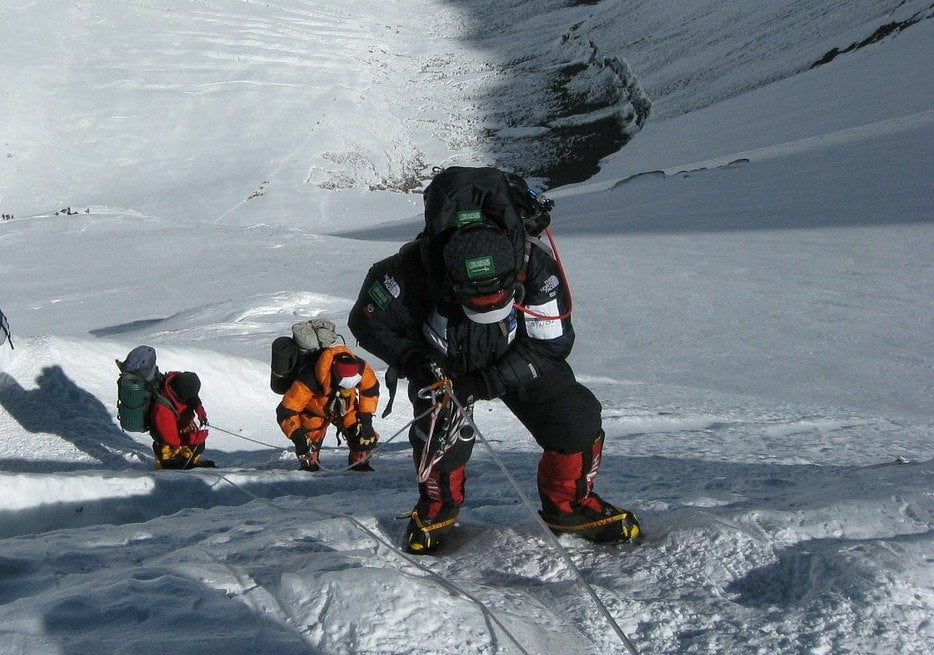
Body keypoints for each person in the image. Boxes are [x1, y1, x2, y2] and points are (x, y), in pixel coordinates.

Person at [349, 221, 641, 554]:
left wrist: (484, 383)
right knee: (438, 432)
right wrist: (416, 361)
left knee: (574, 418)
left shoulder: (535, 266)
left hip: (517, 354)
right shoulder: (408, 271)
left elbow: (551, 344)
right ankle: (438, 506)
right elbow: (366, 322)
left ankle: (570, 507)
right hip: (441, 362)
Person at [276, 344, 380, 472]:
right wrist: (299, 439)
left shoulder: (361, 367)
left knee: (363, 437)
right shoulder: (309, 378)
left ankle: (359, 463)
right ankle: (309, 467)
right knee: (309, 454)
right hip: (313, 413)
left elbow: (370, 389)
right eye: (344, 386)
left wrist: (366, 421)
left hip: (346, 409)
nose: (347, 390)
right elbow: (285, 411)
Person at [149, 371, 214, 469]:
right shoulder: (163, 410)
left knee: (198, 446)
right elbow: (173, 439)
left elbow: (192, 396)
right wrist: (197, 437)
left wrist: (199, 409)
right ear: (182, 395)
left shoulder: (178, 382)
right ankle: (170, 467)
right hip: (167, 444)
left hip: (180, 429)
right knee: (181, 459)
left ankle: (191, 461)